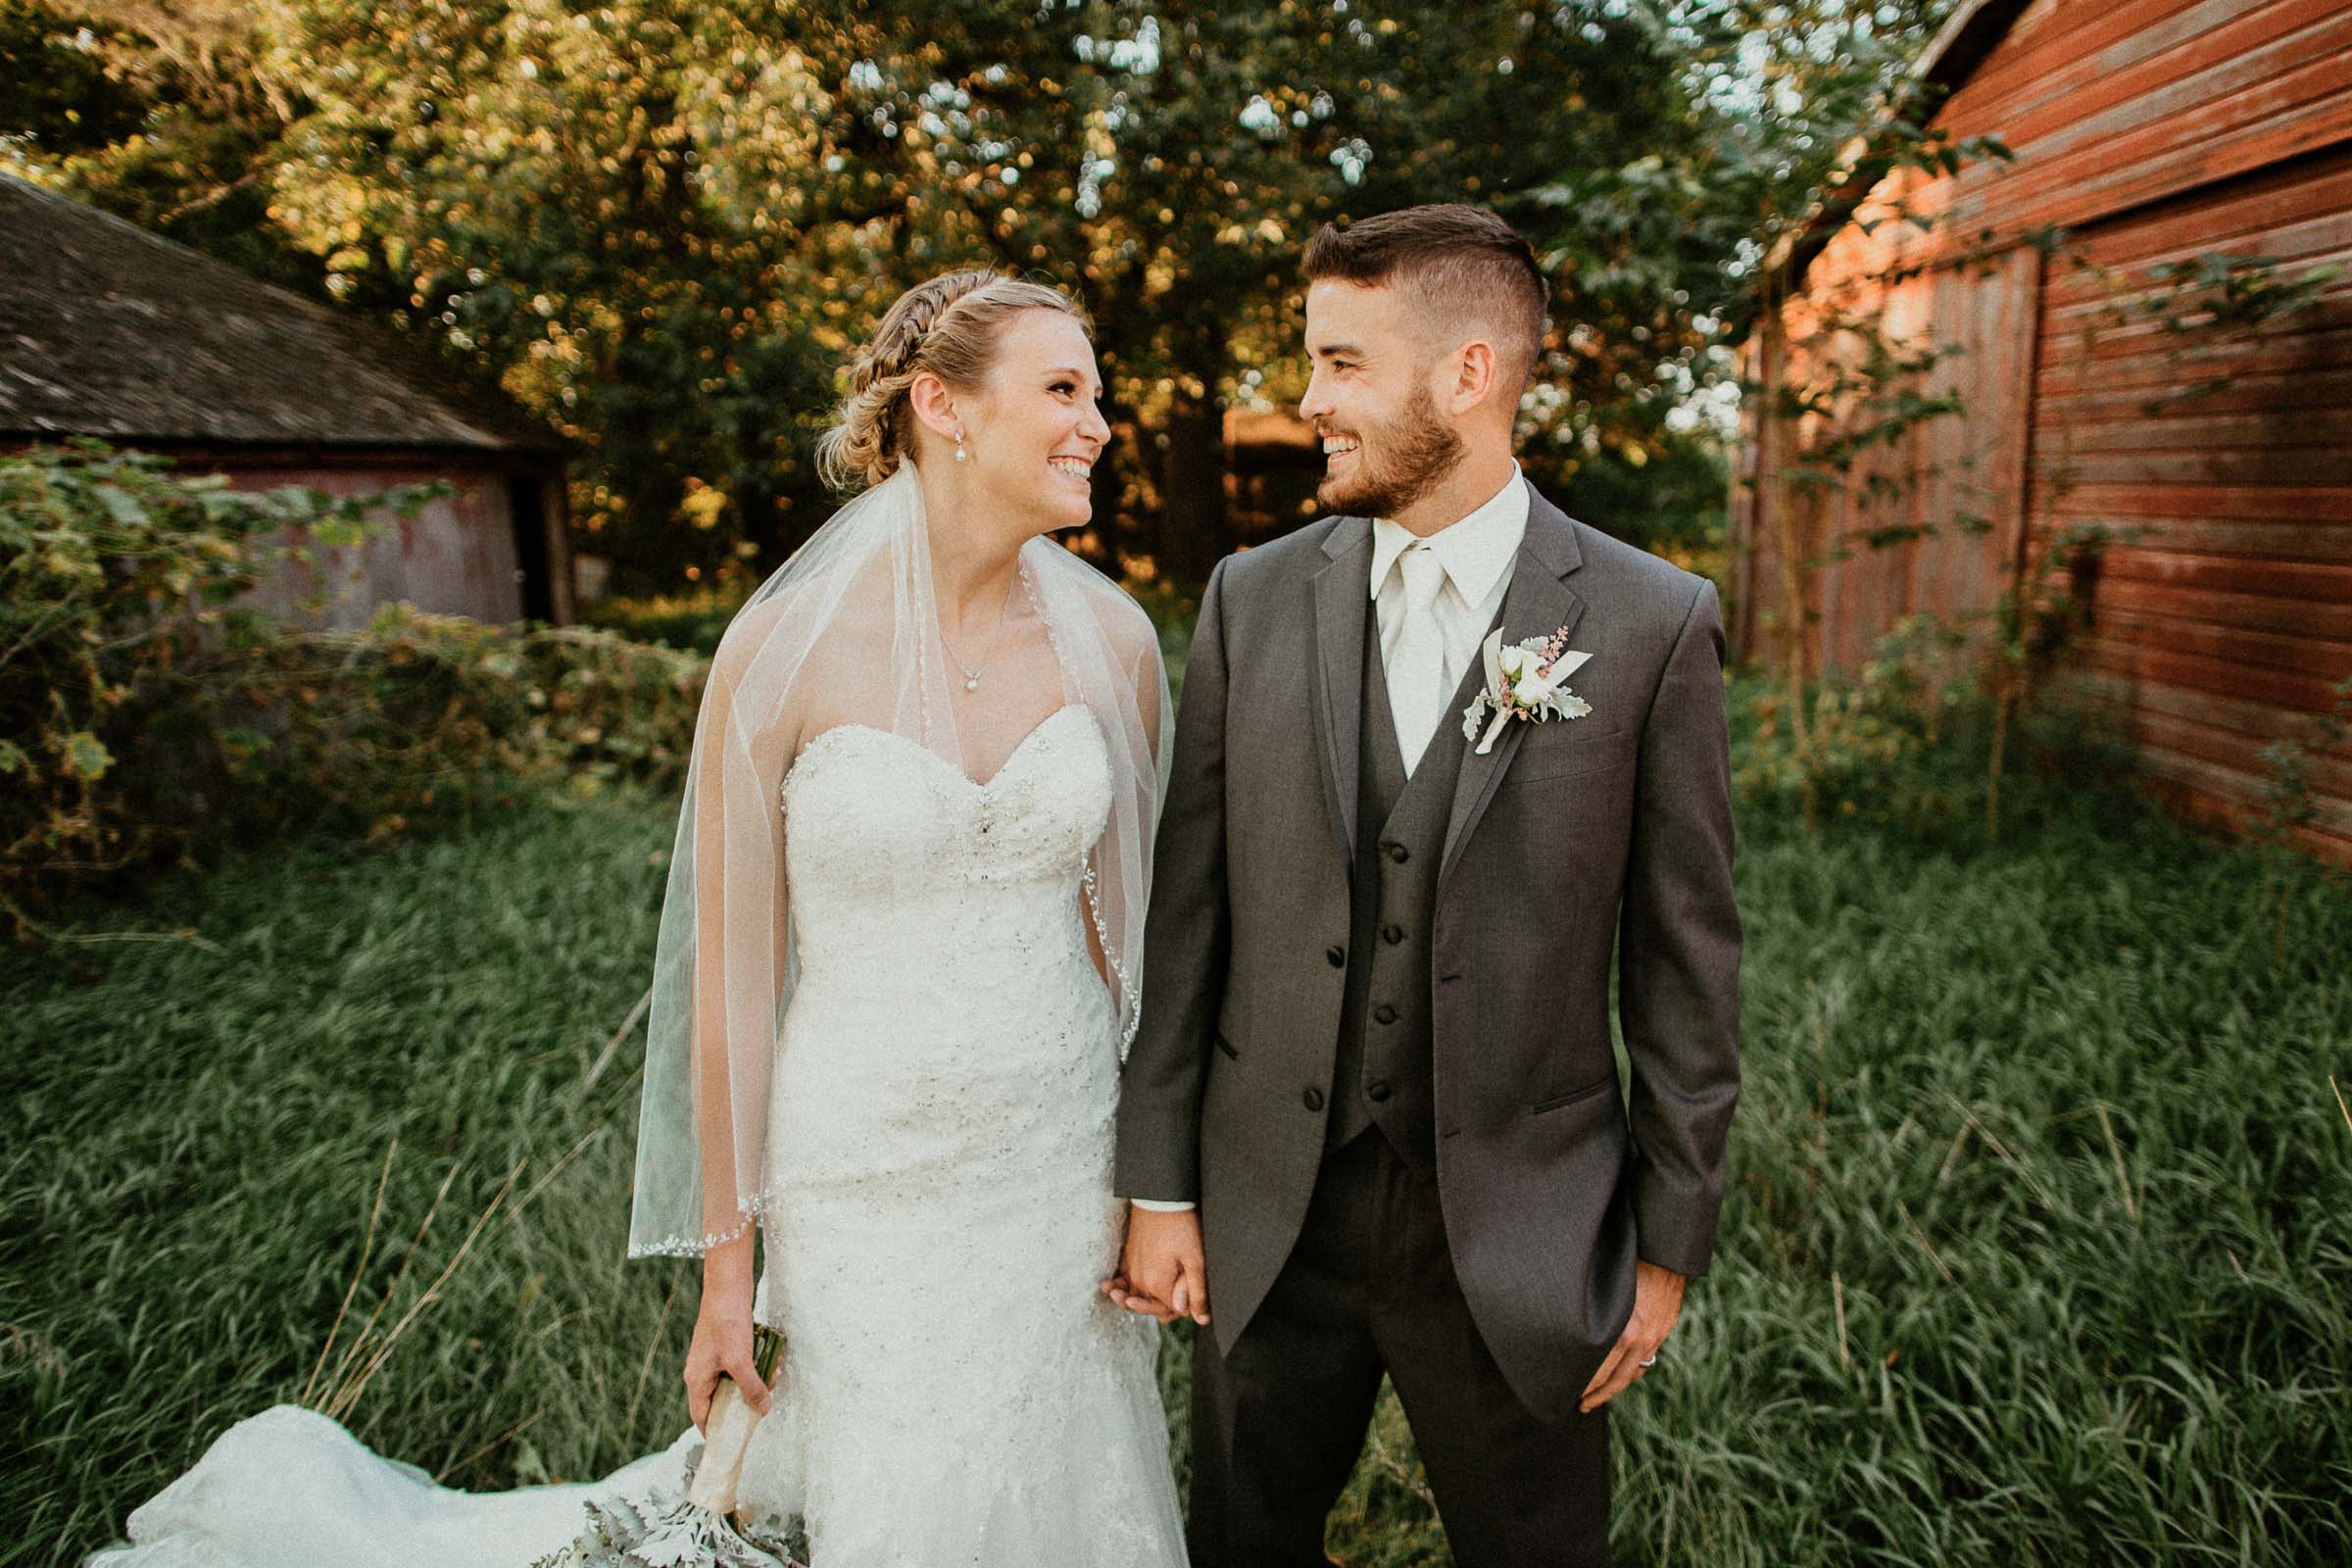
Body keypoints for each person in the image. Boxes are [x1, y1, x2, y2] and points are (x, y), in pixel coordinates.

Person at [86, 269, 1189, 1568]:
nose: (1099, 424)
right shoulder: (776, 650)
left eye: (1096, 395)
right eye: (1063, 390)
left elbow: (1146, 953)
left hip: (1060, 1163)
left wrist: (1158, 1189)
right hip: (862, 1173)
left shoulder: (1116, 644)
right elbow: (730, 982)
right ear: (943, 405)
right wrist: (729, 1276)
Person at [1107, 204, 1743, 1568]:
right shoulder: (1248, 598)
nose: (1309, 398)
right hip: (1269, 1207)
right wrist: (1158, 1184)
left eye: (1342, 362)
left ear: (1468, 373)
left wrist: (1669, 1236)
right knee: (1245, 1539)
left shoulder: (1649, 619)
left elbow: (1687, 958)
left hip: (1521, 1220)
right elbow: (1190, 908)